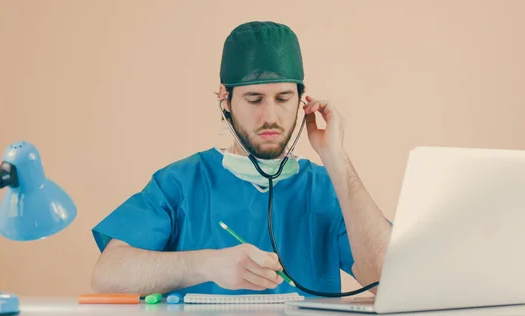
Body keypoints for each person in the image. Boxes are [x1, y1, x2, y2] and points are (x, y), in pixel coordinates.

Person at [90, 21, 392, 297]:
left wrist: (335, 157)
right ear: (225, 99)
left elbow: (390, 281)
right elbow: (108, 275)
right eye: (254, 99)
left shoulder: (326, 190)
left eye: (284, 98)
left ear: (302, 100)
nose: (270, 117)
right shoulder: (181, 183)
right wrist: (206, 264)